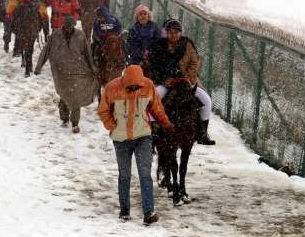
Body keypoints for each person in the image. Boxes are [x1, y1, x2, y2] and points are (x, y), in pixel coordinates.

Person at [97, 65, 173, 225]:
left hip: (143, 137)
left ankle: (148, 213)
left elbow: (156, 108)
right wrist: (112, 126)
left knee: (145, 175)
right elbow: (103, 110)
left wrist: (166, 123)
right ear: (124, 82)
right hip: (120, 139)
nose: (134, 89)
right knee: (124, 176)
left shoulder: (148, 86)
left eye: (137, 86)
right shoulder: (112, 88)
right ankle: (124, 210)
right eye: (130, 86)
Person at [147, 19, 215, 145]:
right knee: (152, 98)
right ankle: (153, 132)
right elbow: (155, 67)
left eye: (177, 32)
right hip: (166, 83)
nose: (174, 34)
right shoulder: (158, 46)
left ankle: (203, 133)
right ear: (166, 32)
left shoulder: (188, 44)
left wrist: (186, 78)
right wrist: (167, 80)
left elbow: (195, 63)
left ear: (181, 33)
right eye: (170, 32)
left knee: (206, 100)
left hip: (186, 81)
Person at [34, 16, 99, 133]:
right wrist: (39, 66)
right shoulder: (55, 36)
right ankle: (64, 117)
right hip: (61, 71)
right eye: (67, 26)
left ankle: (75, 123)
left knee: (75, 95)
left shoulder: (80, 36)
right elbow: (46, 50)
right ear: (64, 25)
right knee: (65, 94)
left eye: (71, 26)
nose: (69, 28)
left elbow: (87, 52)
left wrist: (92, 67)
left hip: (77, 69)